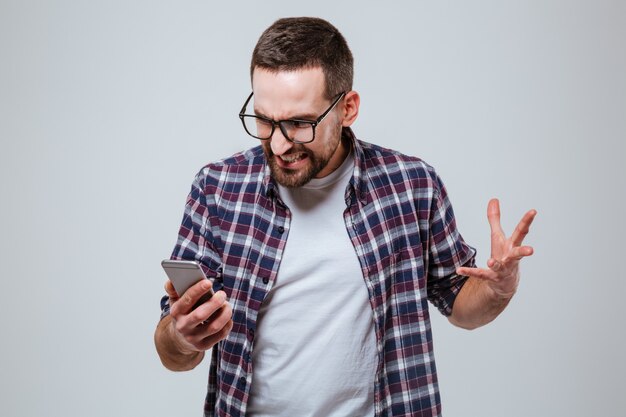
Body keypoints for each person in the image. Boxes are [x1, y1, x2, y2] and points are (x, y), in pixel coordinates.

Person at [154, 17, 536, 417]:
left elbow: (459, 302)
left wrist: (498, 289)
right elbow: (172, 352)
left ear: (348, 108)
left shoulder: (412, 185)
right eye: (265, 121)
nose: (280, 143)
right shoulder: (218, 189)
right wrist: (181, 337)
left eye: (299, 123)